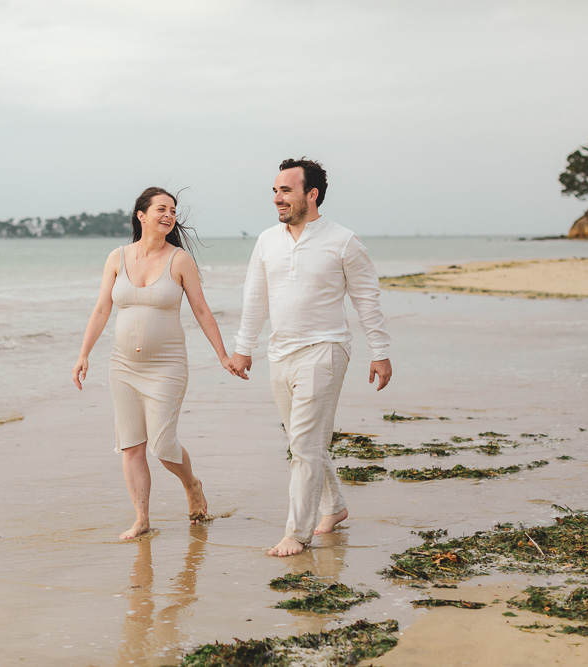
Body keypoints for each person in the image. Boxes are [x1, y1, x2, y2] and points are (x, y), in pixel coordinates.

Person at [230, 157, 392, 557]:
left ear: (311, 194)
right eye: (274, 191)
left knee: (303, 445)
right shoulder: (267, 240)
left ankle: (296, 534)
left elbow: (366, 299)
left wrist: (380, 351)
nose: (277, 199)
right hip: (280, 352)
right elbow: (255, 296)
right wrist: (243, 347)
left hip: (326, 350)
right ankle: (334, 507)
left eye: (285, 190)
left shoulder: (343, 240)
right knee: (303, 442)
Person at [73, 187, 237, 540]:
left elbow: (202, 309)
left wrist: (223, 354)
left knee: (162, 445)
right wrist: (83, 353)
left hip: (167, 365)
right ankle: (142, 518)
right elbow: (102, 308)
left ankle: (191, 484)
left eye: (173, 211)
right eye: (161, 208)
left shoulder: (179, 260)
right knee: (131, 445)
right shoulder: (117, 257)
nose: (169, 215)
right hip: (123, 367)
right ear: (141, 215)